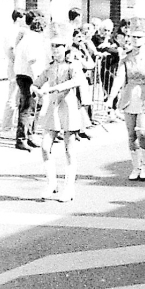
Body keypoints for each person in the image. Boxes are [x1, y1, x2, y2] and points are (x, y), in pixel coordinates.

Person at [34, 40, 86, 201]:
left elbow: (77, 81)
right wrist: (36, 90)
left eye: (58, 47)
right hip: (53, 108)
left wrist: (56, 88)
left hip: (69, 107)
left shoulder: (72, 65)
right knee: (44, 146)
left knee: (69, 149)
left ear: (65, 48)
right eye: (53, 47)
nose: (55, 50)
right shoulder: (49, 67)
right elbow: (36, 83)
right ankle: (51, 183)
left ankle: (69, 188)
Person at [115, 9, 145, 181]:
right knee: (131, 134)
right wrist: (111, 97)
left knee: (143, 132)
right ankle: (135, 166)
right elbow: (120, 77)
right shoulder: (126, 56)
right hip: (129, 96)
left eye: (139, 37)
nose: (136, 40)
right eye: (133, 36)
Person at [13, 10, 48, 151]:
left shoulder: (27, 38)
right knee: (27, 108)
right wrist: (37, 83)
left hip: (24, 75)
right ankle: (21, 139)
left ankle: (30, 135)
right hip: (29, 77)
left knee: (34, 107)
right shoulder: (33, 40)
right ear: (41, 29)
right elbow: (33, 61)